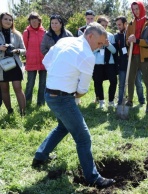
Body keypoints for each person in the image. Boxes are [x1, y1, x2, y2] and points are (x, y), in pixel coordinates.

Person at [32, 22, 115, 188]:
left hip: (49, 94)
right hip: (63, 99)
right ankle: (93, 178)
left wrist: (60, 77)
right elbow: (83, 90)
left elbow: (47, 61)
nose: (99, 48)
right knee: (83, 138)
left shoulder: (64, 41)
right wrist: (71, 92)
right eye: (99, 43)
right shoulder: (87, 55)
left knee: (63, 126)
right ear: (90, 36)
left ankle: (40, 156)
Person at [125, 1, 148, 113]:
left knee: (147, 81)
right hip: (133, 56)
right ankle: (130, 101)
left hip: (144, 57)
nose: (135, 11)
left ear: (142, 8)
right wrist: (128, 41)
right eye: (133, 9)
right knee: (130, 80)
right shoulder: (131, 23)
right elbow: (127, 41)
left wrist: (137, 40)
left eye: (137, 8)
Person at [114, 16, 145, 106]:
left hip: (134, 63)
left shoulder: (132, 34)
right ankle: (120, 101)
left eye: (120, 24)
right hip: (123, 64)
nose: (118, 26)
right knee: (122, 84)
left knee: (138, 83)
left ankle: (142, 100)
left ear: (125, 24)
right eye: (117, 25)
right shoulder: (117, 36)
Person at [0, 12, 26, 116]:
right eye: (5, 19)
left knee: (18, 88)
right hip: (1, 67)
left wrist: (17, 51)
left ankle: (23, 112)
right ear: (1, 20)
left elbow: (24, 50)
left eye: (10, 20)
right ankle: (10, 111)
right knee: (4, 89)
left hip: (15, 65)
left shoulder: (17, 34)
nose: (8, 21)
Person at [93, 15, 117, 108]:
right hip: (98, 63)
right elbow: (90, 51)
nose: (104, 27)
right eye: (102, 25)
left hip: (109, 63)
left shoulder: (110, 36)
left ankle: (111, 101)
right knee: (98, 82)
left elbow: (114, 51)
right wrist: (98, 47)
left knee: (114, 81)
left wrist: (108, 45)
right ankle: (101, 101)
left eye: (106, 25)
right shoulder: (93, 35)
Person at [23, 12, 46, 107]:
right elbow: (24, 47)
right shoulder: (26, 32)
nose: (33, 22)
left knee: (43, 83)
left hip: (43, 61)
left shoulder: (44, 32)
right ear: (29, 21)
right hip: (31, 61)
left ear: (39, 20)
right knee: (30, 83)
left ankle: (40, 102)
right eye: (31, 20)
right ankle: (27, 102)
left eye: (35, 20)